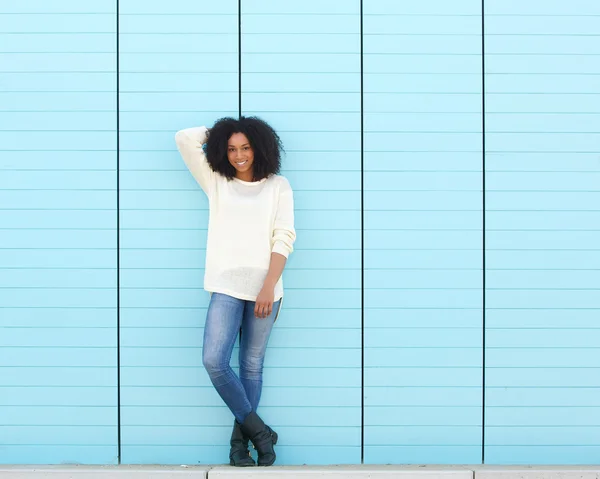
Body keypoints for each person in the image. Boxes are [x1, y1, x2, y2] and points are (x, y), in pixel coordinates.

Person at [175, 116, 296, 467]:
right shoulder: (216, 181)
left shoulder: (278, 186)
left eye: (245, 147)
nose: (238, 155)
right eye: (231, 148)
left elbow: (284, 237)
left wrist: (268, 286)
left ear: (259, 147)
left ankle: (238, 447)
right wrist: (223, 130)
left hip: (266, 288)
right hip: (226, 286)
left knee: (251, 367)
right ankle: (260, 432)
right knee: (214, 361)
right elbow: (184, 138)